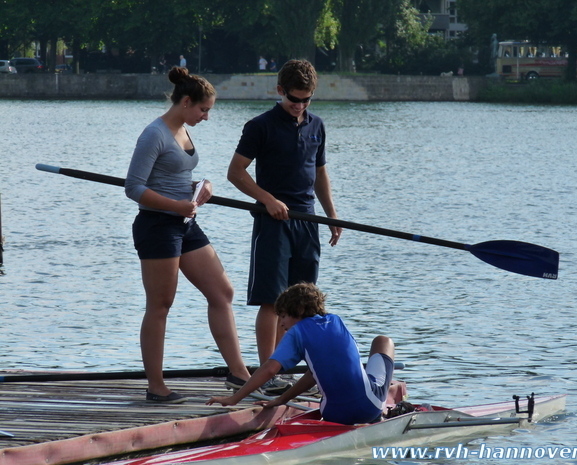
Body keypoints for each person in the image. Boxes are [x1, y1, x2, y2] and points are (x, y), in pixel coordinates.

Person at [125, 67, 251, 403]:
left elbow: (175, 175)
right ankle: (156, 386)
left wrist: (200, 186)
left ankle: (239, 374)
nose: (206, 117)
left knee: (222, 291)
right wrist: (176, 206)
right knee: (161, 305)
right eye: (203, 109)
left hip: (184, 224)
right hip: (157, 226)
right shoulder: (154, 134)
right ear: (185, 102)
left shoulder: (182, 129)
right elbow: (134, 187)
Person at [227, 59, 342, 394]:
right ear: (280, 91)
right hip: (273, 222)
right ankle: (267, 374)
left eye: (307, 100)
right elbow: (235, 172)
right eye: (294, 99)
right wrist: (268, 199)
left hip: (307, 221)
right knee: (271, 300)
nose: (300, 106)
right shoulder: (259, 126)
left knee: (302, 304)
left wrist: (331, 215)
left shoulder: (317, 126)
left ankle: (291, 367)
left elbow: (320, 174)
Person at [207, 283, 395, 425]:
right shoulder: (336, 320)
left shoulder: (296, 332)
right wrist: (282, 399)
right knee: (383, 341)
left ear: (299, 310)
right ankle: (380, 414)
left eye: (282, 315)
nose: (280, 323)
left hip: (332, 415)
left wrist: (235, 398)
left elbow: (270, 369)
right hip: (369, 408)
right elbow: (316, 371)